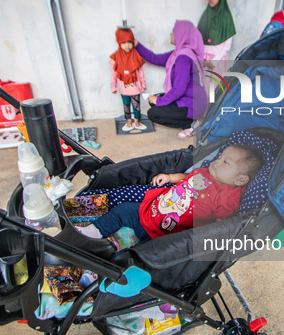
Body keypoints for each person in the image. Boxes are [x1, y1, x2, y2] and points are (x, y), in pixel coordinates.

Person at [75, 145, 264, 241]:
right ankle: (92, 232)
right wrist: (169, 177)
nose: (216, 161)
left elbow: (222, 223)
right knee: (123, 209)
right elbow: (187, 176)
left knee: (146, 254)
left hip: (165, 235)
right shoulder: (206, 172)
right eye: (220, 157)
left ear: (240, 180)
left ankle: (111, 261)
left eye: (225, 162)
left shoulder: (227, 196)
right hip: (150, 210)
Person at [135, 20, 207, 139]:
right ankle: (187, 119)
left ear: (181, 34)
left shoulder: (183, 58)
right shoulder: (178, 53)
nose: (171, 34)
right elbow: (155, 58)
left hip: (192, 104)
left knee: (153, 113)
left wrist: (159, 101)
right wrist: (136, 43)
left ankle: (190, 125)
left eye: (173, 31)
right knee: (153, 100)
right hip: (189, 99)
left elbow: (179, 89)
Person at [110, 28, 147, 131]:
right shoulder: (115, 58)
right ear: (119, 43)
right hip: (123, 89)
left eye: (130, 42)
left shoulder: (136, 56)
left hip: (135, 88)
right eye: (124, 43)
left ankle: (137, 122)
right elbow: (114, 74)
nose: (127, 46)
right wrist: (113, 86)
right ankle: (129, 122)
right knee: (126, 105)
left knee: (136, 105)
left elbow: (140, 73)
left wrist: (143, 84)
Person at [197, 0, 236, 76]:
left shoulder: (225, 17)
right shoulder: (206, 15)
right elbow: (198, 39)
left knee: (214, 88)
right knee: (203, 88)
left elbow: (227, 45)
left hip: (217, 59)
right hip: (204, 58)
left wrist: (214, 61)